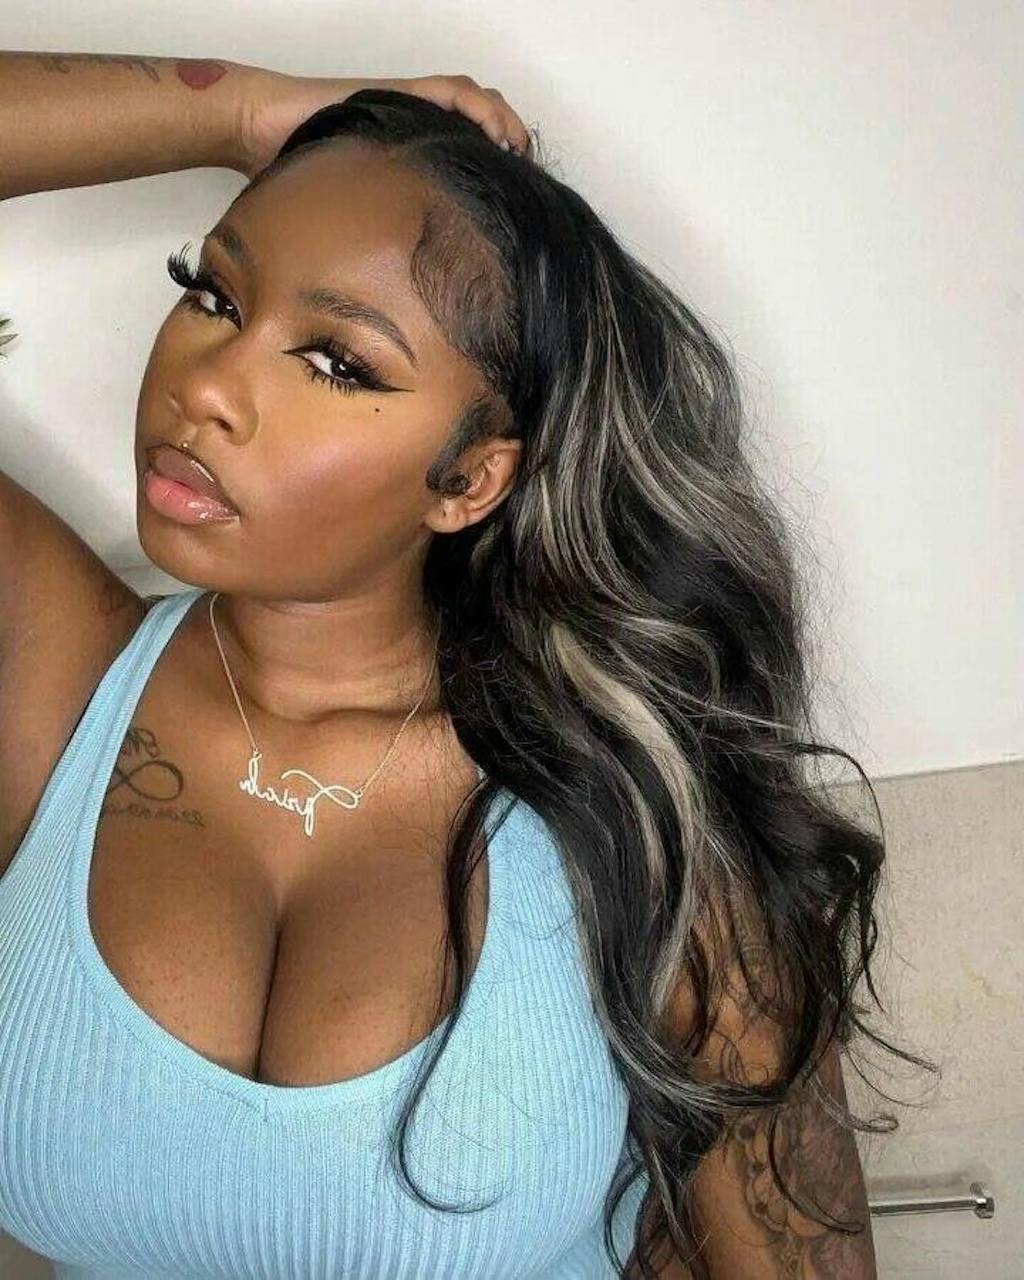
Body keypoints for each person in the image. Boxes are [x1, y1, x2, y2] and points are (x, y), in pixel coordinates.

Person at [0, 47, 915, 1280]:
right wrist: (248, 115)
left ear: (470, 477)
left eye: (337, 362)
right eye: (212, 293)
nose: (206, 386)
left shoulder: (649, 818)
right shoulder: (54, 673)